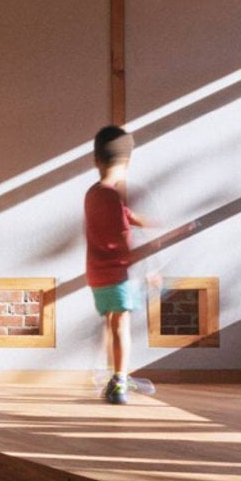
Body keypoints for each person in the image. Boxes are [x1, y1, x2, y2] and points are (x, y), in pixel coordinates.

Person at [85, 125, 150, 405]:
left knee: (112, 324)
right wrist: (147, 264)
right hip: (116, 273)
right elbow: (122, 235)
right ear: (127, 162)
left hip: (97, 275)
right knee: (121, 326)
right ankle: (119, 382)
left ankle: (114, 372)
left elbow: (124, 216)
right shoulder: (112, 196)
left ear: (96, 160)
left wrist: (144, 221)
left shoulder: (94, 193)